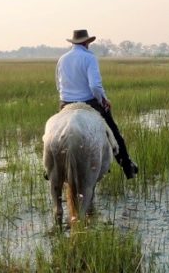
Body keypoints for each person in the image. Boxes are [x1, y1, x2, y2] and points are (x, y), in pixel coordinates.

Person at [56, 29, 138, 179]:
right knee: (114, 132)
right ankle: (127, 166)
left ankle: (50, 167)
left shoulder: (62, 59)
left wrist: (65, 100)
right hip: (89, 102)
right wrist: (103, 100)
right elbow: (94, 86)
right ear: (87, 43)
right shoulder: (89, 58)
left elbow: (58, 84)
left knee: (54, 131)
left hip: (65, 103)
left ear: (74, 42)